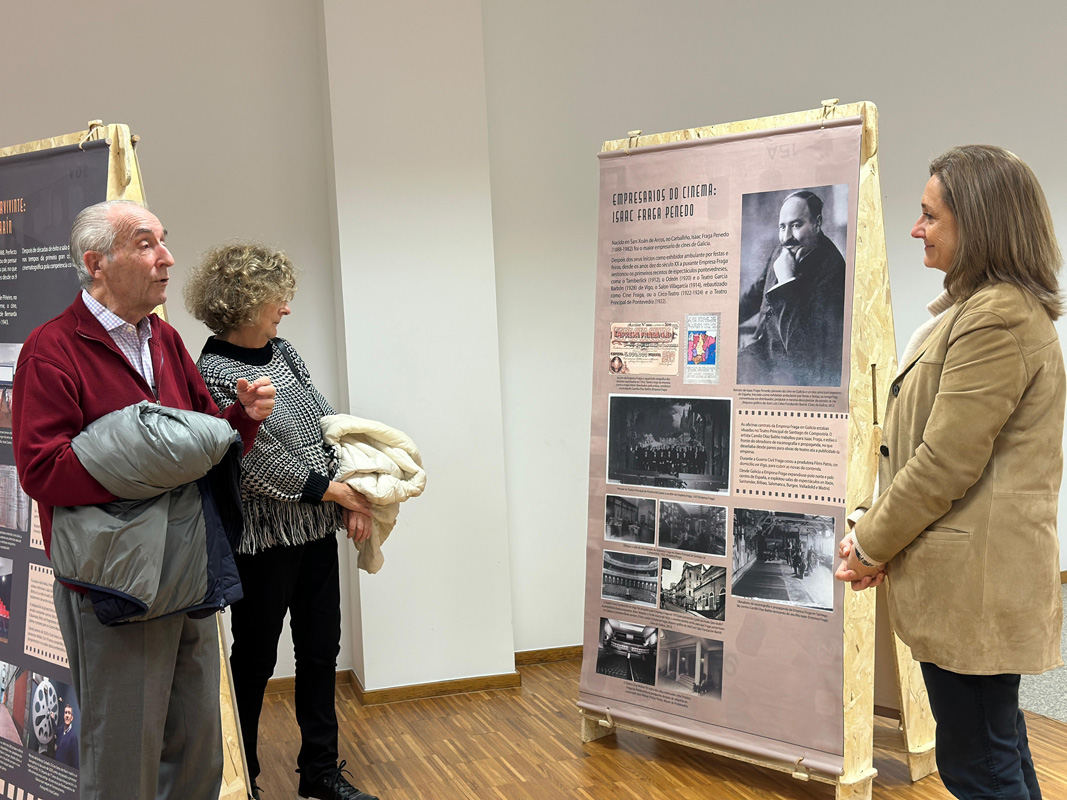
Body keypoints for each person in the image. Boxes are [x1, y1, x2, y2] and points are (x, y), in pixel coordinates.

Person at [12, 200, 275, 800]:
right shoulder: (50, 351)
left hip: (187, 570)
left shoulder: (167, 339)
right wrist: (153, 458)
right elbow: (42, 470)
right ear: (96, 263)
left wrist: (240, 418)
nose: (167, 257)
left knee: (198, 750)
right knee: (122, 762)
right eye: (146, 243)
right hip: (117, 584)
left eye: (164, 240)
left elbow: (202, 436)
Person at [836, 145, 1064, 799]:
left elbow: (942, 463)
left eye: (928, 215)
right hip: (966, 576)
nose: (916, 229)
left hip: (975, 583)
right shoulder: (981, 311)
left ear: (978, 223)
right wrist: (872, 529)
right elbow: (925, 451)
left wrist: (869, 543)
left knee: (978, 762)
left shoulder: (993, 319)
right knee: (994, 747)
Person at [185, 243, 377, 800]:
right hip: (261, 544)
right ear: (245, 304)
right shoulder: (212, 373)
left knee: (321, 651)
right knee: (254, 659)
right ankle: (243, 778)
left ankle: (320, 773)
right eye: (277, 299)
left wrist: (345, 496)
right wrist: (339, 492)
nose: (285, 309)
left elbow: (323, 422)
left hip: (314, 534)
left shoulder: (283, 352)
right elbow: (250, 465)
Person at [736, 189, 846, 386]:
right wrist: (724, 321)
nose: (786, 237)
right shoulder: (783, 249)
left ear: (817, 224)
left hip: (789, 372)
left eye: (796, 225)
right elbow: (757, 292)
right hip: (759, 351)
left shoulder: (833, 270)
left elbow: (804, 356)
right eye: (782, 227)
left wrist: (787, 280)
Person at [54, 703, 78, 769]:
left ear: (72, 718)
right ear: (64, 716)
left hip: (64, 775)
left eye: (69, 713)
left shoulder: (73, 737)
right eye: (66, 713)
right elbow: (55, 730)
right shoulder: (61, 730)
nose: (67, 715)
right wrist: (52, 719)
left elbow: (75, 762)